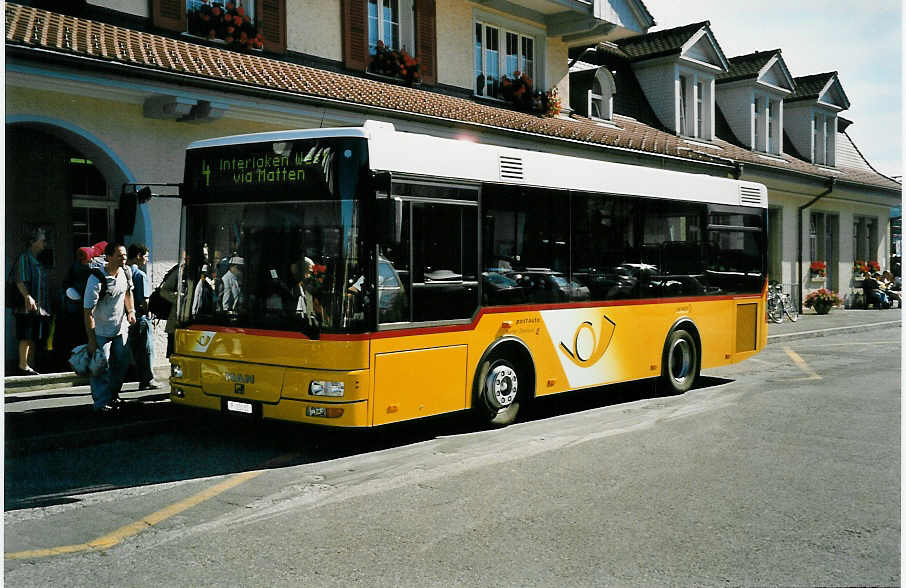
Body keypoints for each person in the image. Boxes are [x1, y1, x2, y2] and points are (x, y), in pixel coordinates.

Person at [83, 243, 136, 413]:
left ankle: (113, 396)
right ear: (109, 257)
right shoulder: (96, 279)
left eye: (125, 255)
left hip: (120, 329)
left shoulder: (126, 272)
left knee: (121, 363)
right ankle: (100, 403)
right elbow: (87, 312)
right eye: (120, 255)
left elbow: (128, 293)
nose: (124, 258)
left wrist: (131, 311)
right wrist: (91, 340)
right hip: (100, 331)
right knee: (100, 367)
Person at [10, 227, 49, 375]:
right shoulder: (24, 258)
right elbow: (20, 280)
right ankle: (23, 365)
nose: (45, 242)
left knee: (32, 336)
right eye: (42, 239)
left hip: (38, 307)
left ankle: (30, 365)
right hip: (26, 306)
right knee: (25, 335)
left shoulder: (36, 259)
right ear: (33, 242)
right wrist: (27, 296)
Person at [127, 243, 160, 390]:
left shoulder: (123, 272)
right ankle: (148, 379)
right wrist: (149, 316)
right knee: (147, 350)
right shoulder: (140, 275)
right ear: (138, 256)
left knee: (135, 350)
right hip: (141, 317)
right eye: (146, 256)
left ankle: (141, 377)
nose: (147, 260)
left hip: (127, 317)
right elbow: (144, 300)